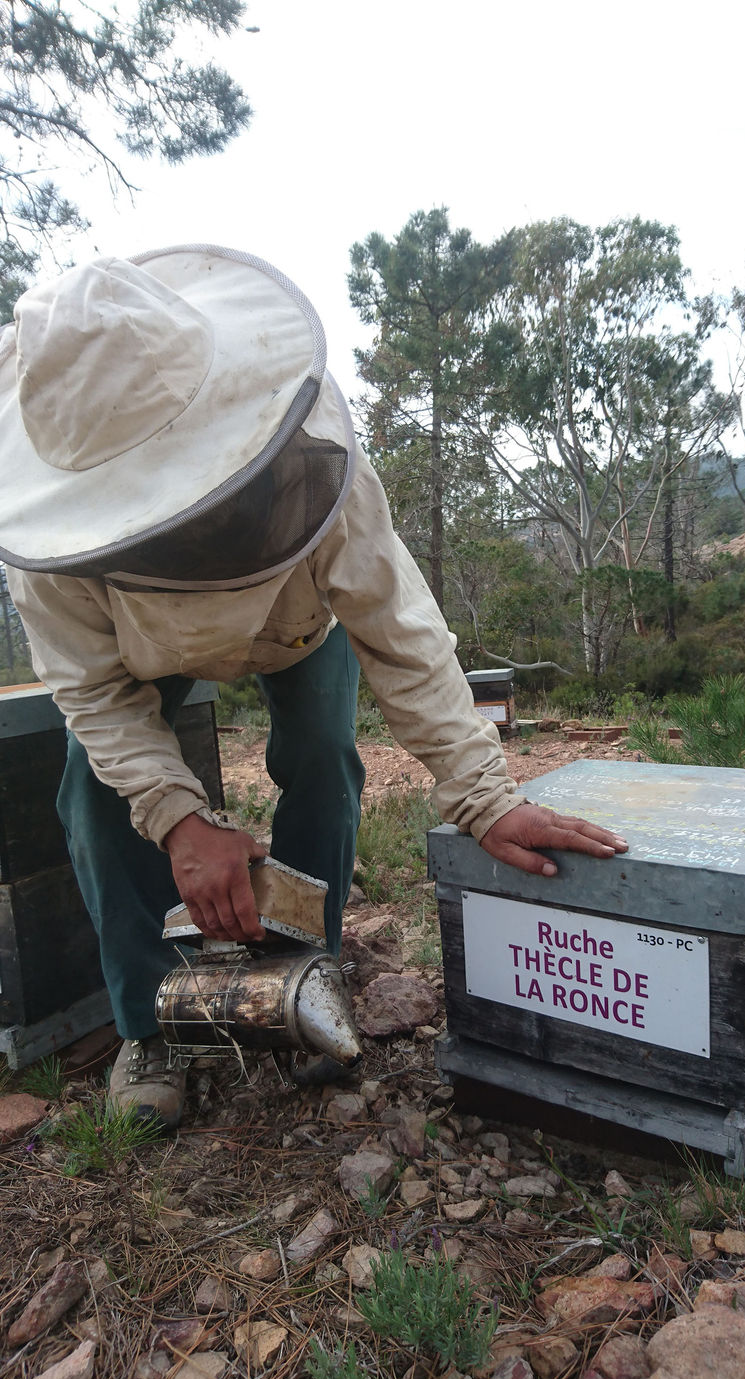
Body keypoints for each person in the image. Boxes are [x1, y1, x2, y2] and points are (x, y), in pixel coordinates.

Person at [0, 245, 628, 1128]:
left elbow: (397, 625)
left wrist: (485, 796)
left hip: (302, 627)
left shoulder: (312, 446)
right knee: (93, 801)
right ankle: (148, 1022)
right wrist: (182, 821)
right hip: (142, 656)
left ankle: (310, 969)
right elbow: (96, 697)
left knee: (324, 757)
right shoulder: (46, 540)